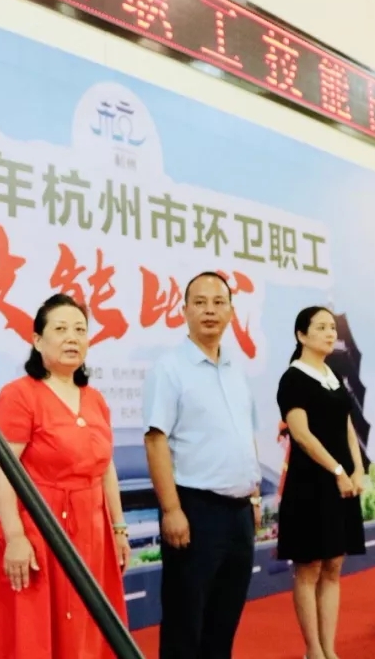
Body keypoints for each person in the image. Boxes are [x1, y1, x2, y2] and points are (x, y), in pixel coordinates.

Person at [0, 293, 130, 659]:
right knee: (36, 635)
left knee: (90, 630)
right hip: (40, 530)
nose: (72, 338)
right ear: (37, 340)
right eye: (60, 329)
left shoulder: (95, 399)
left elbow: (106, 467)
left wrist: (118, 528)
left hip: (93, 530)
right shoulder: (20, 395)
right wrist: (15, 536)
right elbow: (1, 468)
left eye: (80, 330)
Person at [142, 271, 262, 659]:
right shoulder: (170, 368)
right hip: (194, 510)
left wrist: (254, 496)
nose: (210, 310)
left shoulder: (236, 369)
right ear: (184, 311)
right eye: (200, 302)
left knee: (224, 621)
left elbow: (245, 434)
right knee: (185, 621)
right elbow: (155, 439)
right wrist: (171, 510)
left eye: (218, 302)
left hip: (239, 513)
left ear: (231, 312)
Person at [275, 307, 366, 659]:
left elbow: (346, 426)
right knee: (309, 568)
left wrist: (356, 469)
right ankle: (313, 651)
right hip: (310, 484)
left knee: (333, 566)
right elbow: (301, 434)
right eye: (322, 327)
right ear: (301, 335)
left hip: (341, 482)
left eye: (333, 327)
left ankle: (330, 649)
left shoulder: (333, 374)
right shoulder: (293, 378)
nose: (330, 333)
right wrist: (337, 471)